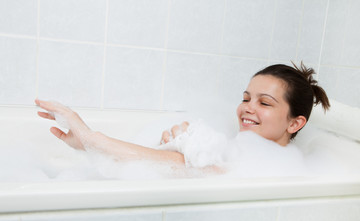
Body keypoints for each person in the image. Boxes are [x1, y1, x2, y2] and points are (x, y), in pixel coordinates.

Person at [35, 62, 330, 170]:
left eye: (264, 103)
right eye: (245, 98)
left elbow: (180, 168)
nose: (247, 108)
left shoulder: (272, 170)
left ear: (295, 122)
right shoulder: (237, 148)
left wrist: (91, 139)